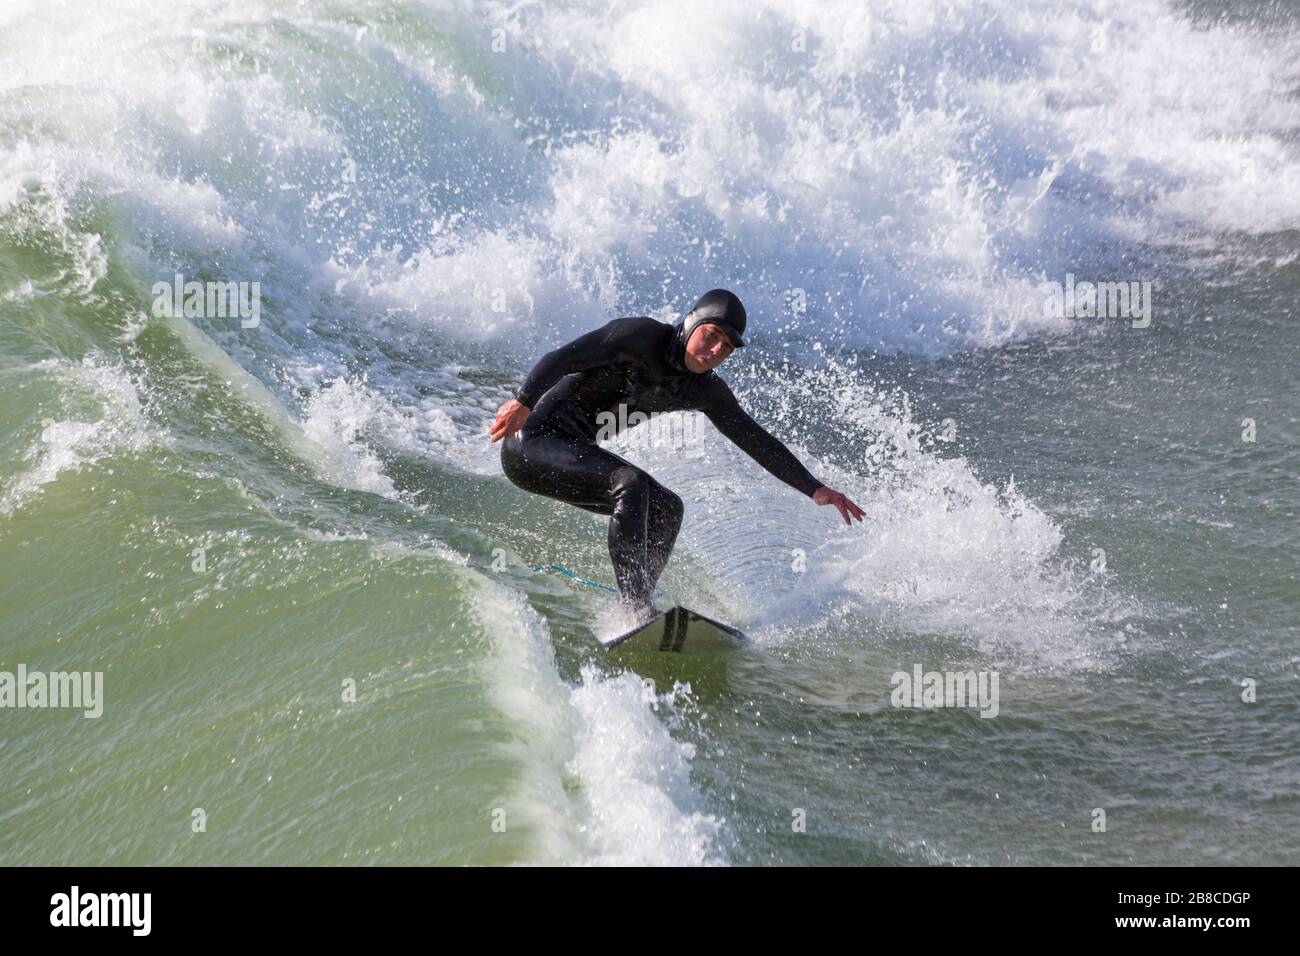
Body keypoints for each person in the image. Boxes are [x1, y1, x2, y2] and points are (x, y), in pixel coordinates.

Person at [489, 288, 864, 623]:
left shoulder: (704, 390)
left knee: (668, 508)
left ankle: (640, 606)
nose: (716, 350)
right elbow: (564, 357)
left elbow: (754, 438)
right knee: (629, 484)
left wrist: (814, 489)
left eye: (727, 347)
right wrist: (523, 401)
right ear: (691, 323)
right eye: (711, 335)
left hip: (570, 453)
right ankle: (633, 609)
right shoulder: (638, 337)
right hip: (530, 442)